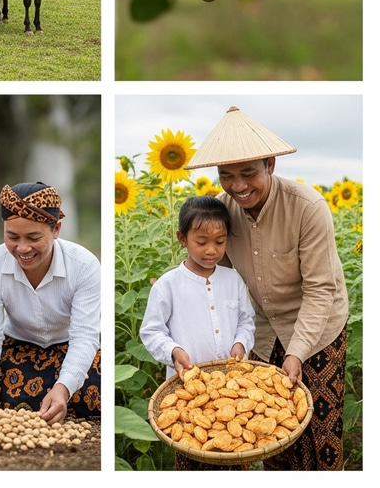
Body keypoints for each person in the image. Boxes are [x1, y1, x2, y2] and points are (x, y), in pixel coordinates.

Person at [187, 106, 350, 471]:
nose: (238, 186)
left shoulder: (307, 207)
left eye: (248, 173)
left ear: (270, 165)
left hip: (318, 328)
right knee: (269, 431)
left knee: (319, 429)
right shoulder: (222, 213)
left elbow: (320, 291)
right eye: (226, 176)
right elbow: (218, 284)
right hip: (261, 331)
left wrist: (296, 353)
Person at [0, 182, 101, 424]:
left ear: (56, 229)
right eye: (12, 237)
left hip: (71, 345)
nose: (23, 248)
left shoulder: (84, 266)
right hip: (20, 347)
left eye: (34, 237)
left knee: (99, 387)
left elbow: (84, 337)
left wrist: (63, 389)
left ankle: (60, 396)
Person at [139, 195, 256, 471]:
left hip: (231, 388)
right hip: (188, 390)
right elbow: (152, 331)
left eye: (220, 241)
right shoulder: (168, 286)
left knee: (234, 448)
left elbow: (246, 320)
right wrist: (174, 351)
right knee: (193, 447)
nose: (211, 250)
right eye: (201, 242)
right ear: (182, 238)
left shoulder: (233, 280)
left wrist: (241, 343)